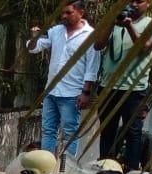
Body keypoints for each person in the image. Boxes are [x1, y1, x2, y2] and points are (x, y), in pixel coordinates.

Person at [92, 0, 152, 170]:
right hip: (108, 86)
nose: (134, 4)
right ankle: (106, 170)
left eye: (139, 1)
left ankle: (130, 172)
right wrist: (112, 23)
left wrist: (129, 26)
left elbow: (146, 47)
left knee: (132, 133)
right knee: (107, 131)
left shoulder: (151, 24)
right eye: (131, 1)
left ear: (149, 3)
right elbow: (98, 45)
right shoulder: (115, 22)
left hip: (134, 89)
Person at [28, 1, 99, 158]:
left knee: (70, 133)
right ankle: (46, 163)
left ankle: (66, 167)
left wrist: (85, 92)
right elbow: (34, 48)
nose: (64, 16)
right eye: (62, 13)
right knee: (48, 130)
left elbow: (92, 67)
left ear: (80, 12)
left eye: (68, 13)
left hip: (72, 93)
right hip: (51, 91)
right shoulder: (56, 31)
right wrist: (34, 37)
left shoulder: (90, 35)